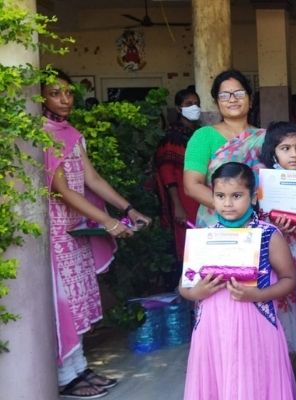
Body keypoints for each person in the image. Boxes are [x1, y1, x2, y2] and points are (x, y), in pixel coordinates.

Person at [43, 69, 152, 399]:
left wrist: (128, 209)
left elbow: (93, 180)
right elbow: (62, 190)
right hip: (57, 235)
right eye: (55, 93)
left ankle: (79, 367)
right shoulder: (42, 134)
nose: (65, 99)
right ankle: (66, 376)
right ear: (40, 98)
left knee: (78, 301)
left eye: (68, 93)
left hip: (76, 230)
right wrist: (107, 222)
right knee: (64, 305)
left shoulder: (70, 133)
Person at [180, 162, 296, 400]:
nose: (227, 203)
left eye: (236, 196)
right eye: (220, 196)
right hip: (213, 328)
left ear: (253, 196)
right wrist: (196, 293)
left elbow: (291, 279)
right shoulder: (205, 237)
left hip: (255, 327)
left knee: (254, 385)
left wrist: (258, 295)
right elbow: (184, 285)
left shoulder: (267, 234)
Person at [258, 121, 296, 379]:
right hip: (277, 264)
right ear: (272, 152)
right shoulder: (264, 186)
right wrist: (277, 229)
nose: (294, 154)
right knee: (283, 322)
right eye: (285, 148)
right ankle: (285, 385)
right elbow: (257, 230)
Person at [184, 69, 266, 227]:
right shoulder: (204, 136)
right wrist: (234, 211)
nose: (232, 99)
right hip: (216, 224)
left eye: (239, 94)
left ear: (250, 100)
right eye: (224, 95)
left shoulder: (266, 138)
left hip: (259, 223)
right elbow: (192, 185)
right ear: (217, 103)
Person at [155, 87, 201, 266]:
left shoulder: (199, 134)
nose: (194, 107)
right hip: (183, 196)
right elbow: (167, 174)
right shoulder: (172, 138)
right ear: (178, 108)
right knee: (186, 240)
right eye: (188, 104)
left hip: (201, 196)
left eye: (196, 103)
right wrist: (177, 205)